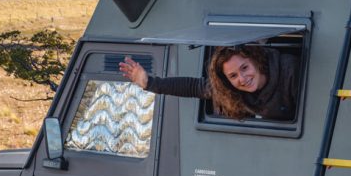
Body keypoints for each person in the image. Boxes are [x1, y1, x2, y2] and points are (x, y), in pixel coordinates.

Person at [118, 44, 298, 121]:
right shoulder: (231, 90)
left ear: (256, 60)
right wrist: (150, 83)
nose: (242, 79)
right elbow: (194, 87)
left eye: (245, 68)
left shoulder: (289, 71)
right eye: (233, 76)